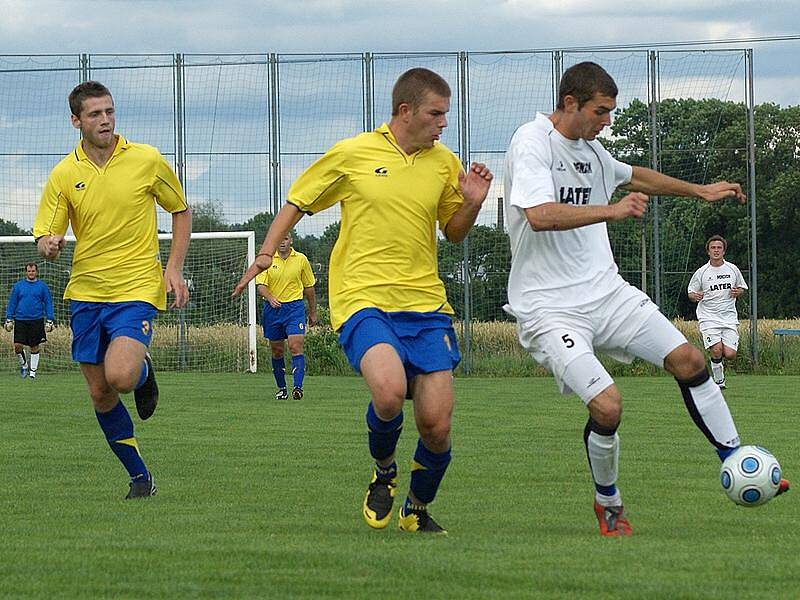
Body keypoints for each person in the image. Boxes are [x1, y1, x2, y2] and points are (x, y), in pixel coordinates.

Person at [503, 61, 788, 537]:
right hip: (550, 307)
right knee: (608, 407)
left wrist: (698, 191)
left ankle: (736, 456)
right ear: (570, 103)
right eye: (601, 111)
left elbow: (636, 176)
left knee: (690, 359)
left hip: (607, 293)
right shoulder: (531, 143)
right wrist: (611, 211)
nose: (607, 121)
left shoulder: (591, 152)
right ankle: (608, 502)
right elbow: (539, 215)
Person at [233, 68, 493, 533]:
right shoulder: (353, 154)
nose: (443, 124)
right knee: (390, 390)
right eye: (436, 114)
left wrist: (472, 203)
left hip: (427, 307)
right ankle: (385, 471)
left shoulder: (442, 162)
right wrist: (266, 254)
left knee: (436, 424)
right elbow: (297, 202)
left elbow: (453, 233)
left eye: (446, 115)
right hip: (362, 299)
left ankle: (416, 509)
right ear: (405, 111)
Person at [33, 81, 191, 499]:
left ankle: (141, 371)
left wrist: (173, 268)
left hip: (136, 285)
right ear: (76, 121)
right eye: (95, 115)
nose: (105, 120)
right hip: (86, 291)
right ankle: (141, 478)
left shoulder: (146, 159)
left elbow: (180, 211)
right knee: (99, 391)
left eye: (109, 112)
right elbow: (47, 236)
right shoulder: (65, 174)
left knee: (120, 376)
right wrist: (47, 245)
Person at [255, 232, 317, 400]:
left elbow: (309, 287)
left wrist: (313, 312)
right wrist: (270, 297)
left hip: (294, 308)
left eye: (285, 238)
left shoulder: (301, 259)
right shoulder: (267, 259)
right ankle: (282, 389)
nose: (282, 242)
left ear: (291, 240)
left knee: (295, 346)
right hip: (272, 310)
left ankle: (298, 388)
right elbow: (260, 285)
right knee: (277, 351)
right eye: (279, 238)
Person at [688, 235, 748, 389]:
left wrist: (738, 292)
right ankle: (719, 381)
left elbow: (742, 287)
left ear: (724, 251)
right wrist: (694, 296)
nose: (716, 250)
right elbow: (691, 292)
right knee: (716, 349)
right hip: (708, 317)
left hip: (728, 317)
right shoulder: (702, 272)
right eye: (713, 248)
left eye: (719, 248)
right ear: (708, 251)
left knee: (730, 354)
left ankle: (718, 365)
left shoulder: (732, 269)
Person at [4, 262, 55, 379]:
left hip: (36, 320)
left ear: (36, 272)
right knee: (17, 346)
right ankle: (24, 365)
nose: (31, 273)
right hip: (20, 320)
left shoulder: (43, 286)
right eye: (29, 271)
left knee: (34, 346)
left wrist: (50, 319)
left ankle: (32, 373)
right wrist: (9, 318)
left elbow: (48, 303)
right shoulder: (18, 286)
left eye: (33, 271)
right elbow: (12, 303)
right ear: (26, 272)